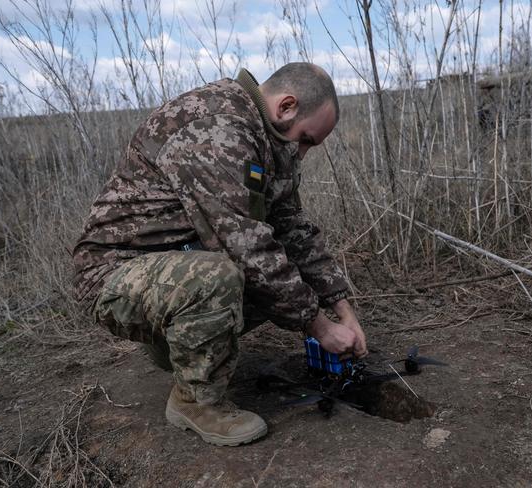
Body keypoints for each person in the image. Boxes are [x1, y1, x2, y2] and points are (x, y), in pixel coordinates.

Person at [72, 62, 368, 447]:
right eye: (307, 140)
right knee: (227, 276)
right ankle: (195, 403)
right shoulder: (216, 128)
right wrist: (320, 327)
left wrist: (343, 309)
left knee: (271, 282)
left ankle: (173, 342)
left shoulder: (270, 142)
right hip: (113, 272)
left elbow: (293, 231)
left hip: (171, 263)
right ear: (287, 107)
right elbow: (246, 246)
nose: (304, 153)